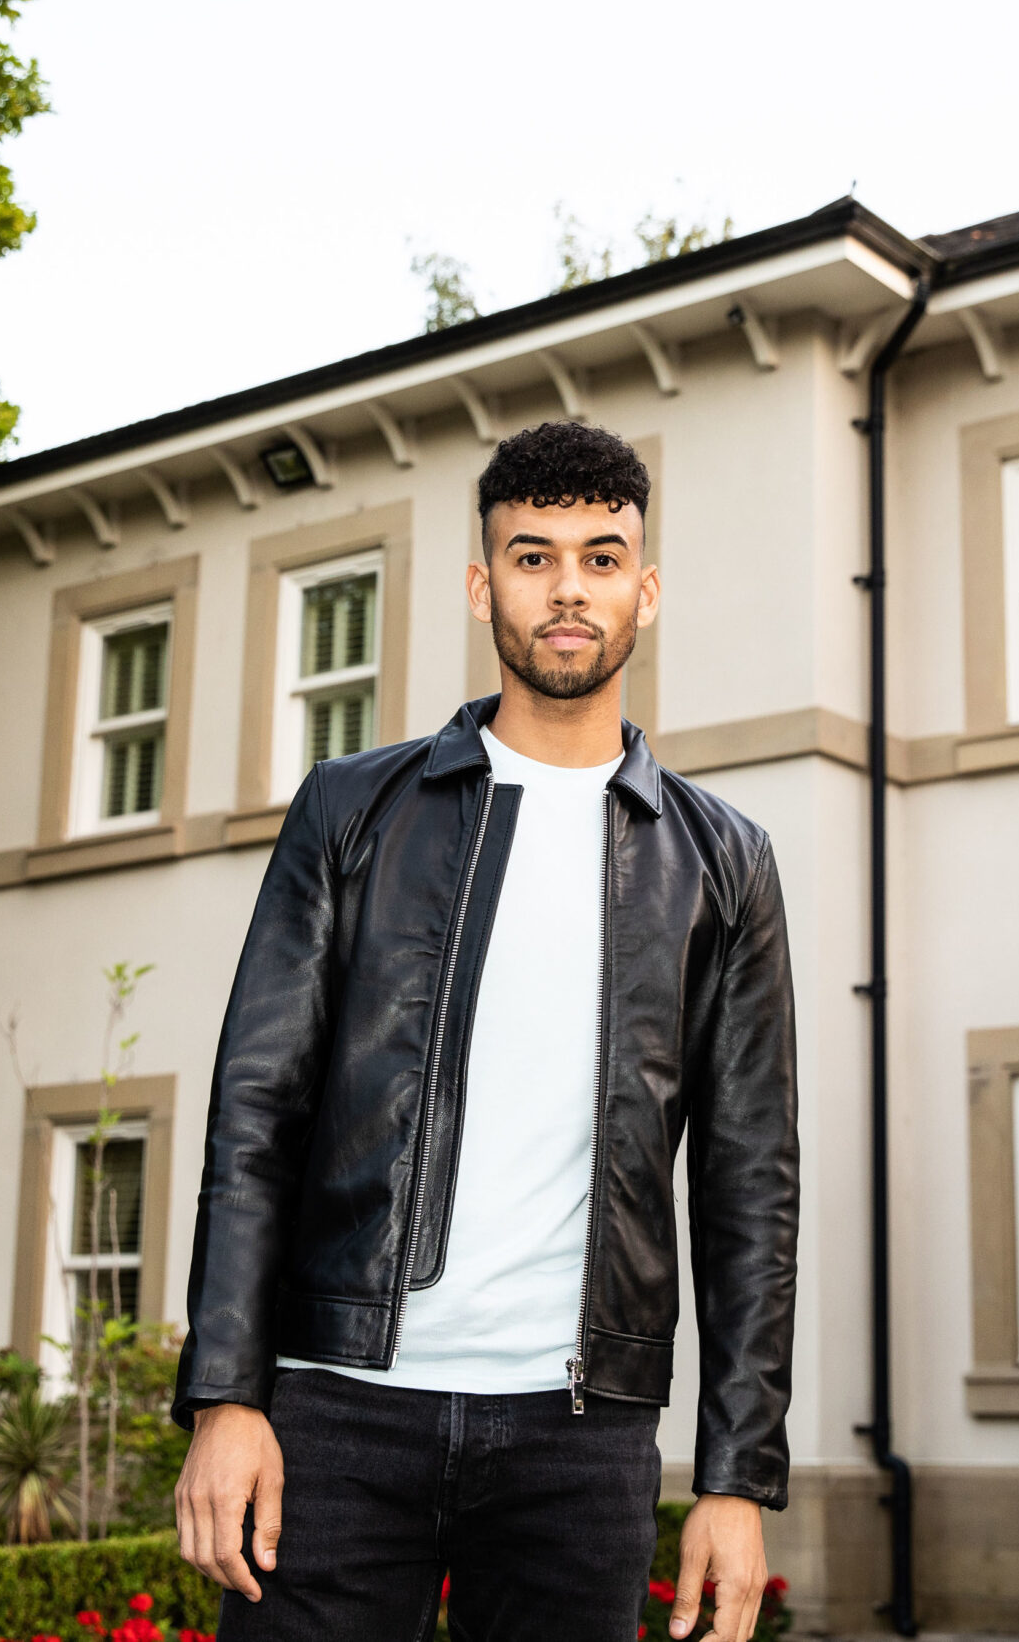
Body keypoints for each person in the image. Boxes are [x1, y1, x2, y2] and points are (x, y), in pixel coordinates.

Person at [170, 420, 799, 1642]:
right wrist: (224, 1397)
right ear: (481, 585)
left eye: (602, 557)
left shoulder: (724, 862)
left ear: (645, 591)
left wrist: (734, 1476)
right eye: (533, 555)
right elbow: (258, 1112)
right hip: (339, 1414)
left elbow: (749, 1189)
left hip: (580, 1439)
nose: (569, 588)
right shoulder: (353, 811)